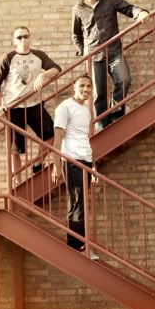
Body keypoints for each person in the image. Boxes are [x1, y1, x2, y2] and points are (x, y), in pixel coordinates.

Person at [72, 0, 149, 132]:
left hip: (114, 51)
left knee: (124, 80)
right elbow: (76, 34)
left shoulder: (109, 0)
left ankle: (115, 114)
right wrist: (83, 51)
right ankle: (101, 126)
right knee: (98, 93)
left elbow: (128, 8)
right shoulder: (78, 9)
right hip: (93, 55)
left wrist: (140, 13)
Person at [0, 26, 61, 183]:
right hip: (14, 107)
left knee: (51, 135)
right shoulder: (8, 57)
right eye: (19, 37)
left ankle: (37, 163)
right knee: (16, 149)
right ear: (14, 40)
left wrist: (44, 75)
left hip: (34, 104)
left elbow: (56, 68)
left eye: (26, 36)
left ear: (30, 38)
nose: (23, 39)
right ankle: (17, 182)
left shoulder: (39, 55)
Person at [51, 74, 99, 260]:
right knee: (77, 202)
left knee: (82, 203)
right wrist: (56, 166)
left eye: (88, 86)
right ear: (74, 86)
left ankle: (81, 244)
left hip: (85, 161)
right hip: (71, 160)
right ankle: (76, 246)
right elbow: (57, 140)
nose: (85, 89)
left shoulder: (86, 110)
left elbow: (85, 139)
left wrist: (93, 166)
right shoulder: (65, 107)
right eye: (82, 86)